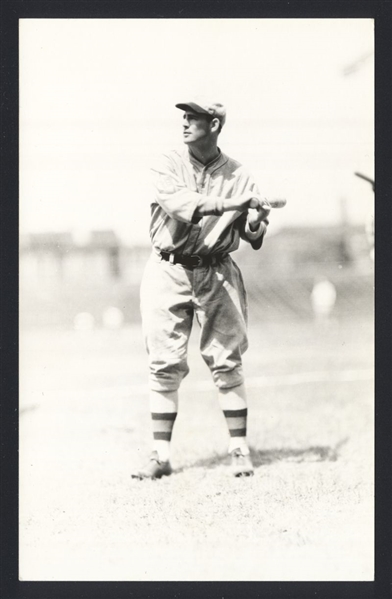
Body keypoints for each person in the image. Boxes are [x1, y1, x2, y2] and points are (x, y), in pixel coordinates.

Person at [133, 100, 272, 479]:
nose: (185, 122)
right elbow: (182, 206)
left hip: (216, 270)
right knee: (163, 363)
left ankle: (239, 449)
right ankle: (160, 456)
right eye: (184, 116)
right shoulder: (167, 163)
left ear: (214, 124)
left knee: (227, 361)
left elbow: (252, 237)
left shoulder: (240, 173)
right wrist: (232, 203)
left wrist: (256, 220)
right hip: (167, 268)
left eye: (193, 117)